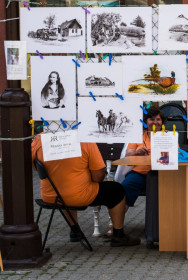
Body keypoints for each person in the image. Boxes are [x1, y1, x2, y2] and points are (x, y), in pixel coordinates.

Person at [31, 136, 140, 247]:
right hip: (79, 196)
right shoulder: (84, 140)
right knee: (117, 190)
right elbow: (98, 176)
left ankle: (75, 230)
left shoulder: (39, 139)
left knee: (65, 191)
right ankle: (118, 234)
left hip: (50, 196)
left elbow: (34, 167)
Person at [121, 106, 165, 248]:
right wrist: (138, 152)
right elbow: (128, 155)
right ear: (146, 121)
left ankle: (165, 227)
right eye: (152, 119)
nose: (155, 122)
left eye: (158, 119)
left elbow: (176, 154)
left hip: (161, 174)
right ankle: (116, 227)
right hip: (139, 172)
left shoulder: (168, 135)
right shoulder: (137, 136)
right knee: (125, 188)